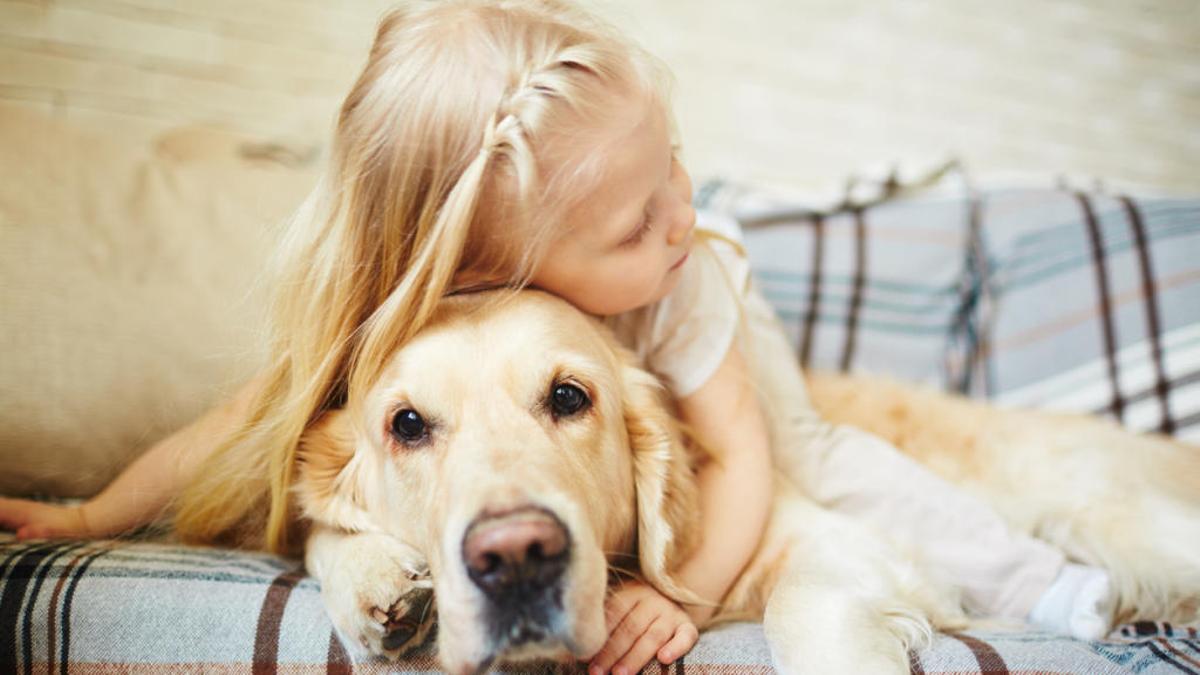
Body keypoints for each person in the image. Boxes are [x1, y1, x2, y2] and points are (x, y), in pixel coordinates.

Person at [0, 1, 1113, 671]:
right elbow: (244, 433)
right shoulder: (384, 347)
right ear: (516, 260)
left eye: (565, 399)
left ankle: (1045, 585)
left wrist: (671, 594)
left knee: (835, 465)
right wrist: (91, 516)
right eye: (414, 426)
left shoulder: (683, 279)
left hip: (752, 395)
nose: (674, 213)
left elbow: (737, 456)